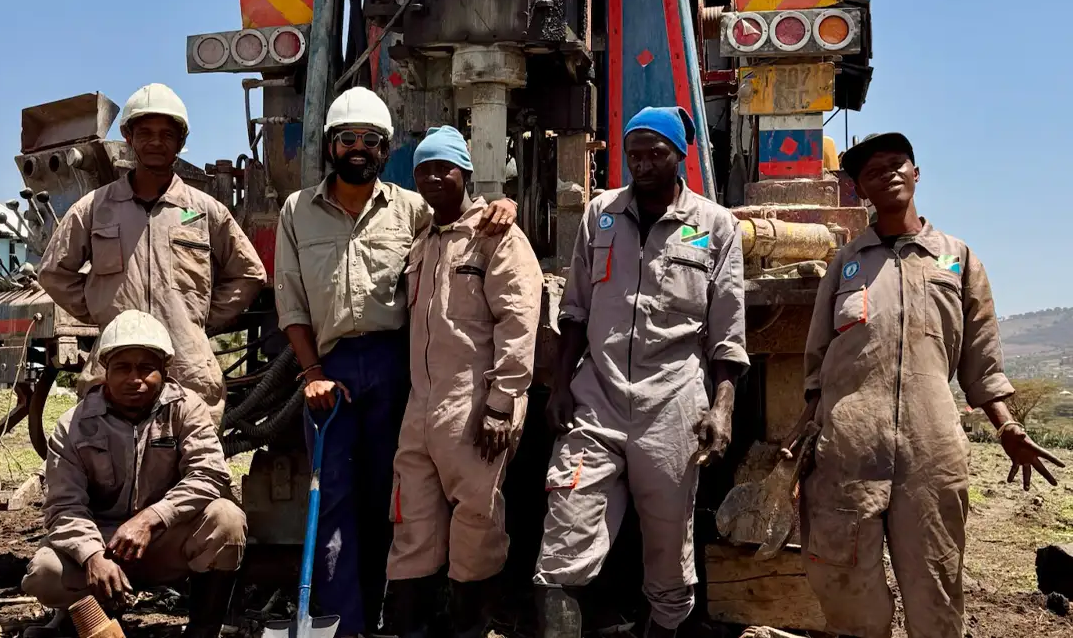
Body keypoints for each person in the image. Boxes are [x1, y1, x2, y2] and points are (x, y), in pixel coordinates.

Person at [779, 132, 1065, 638]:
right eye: (872, 171)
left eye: (897, 164)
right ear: (861, 190)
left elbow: (983, 364)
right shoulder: (845, 266)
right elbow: (817, 366)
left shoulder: (957, 260)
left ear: (916, 173)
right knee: (847, 592)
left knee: (935, 590)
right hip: (849, 453)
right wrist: (807, 434)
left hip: (931, 453)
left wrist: (1007, 429)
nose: (888, 174)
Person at [273, 87, 519, 637]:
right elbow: (289, 301)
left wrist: (502, 203)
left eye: (370, 141)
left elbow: (462, 224)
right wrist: (312, 374)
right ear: (331, 147)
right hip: (330, 370)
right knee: (332, 495)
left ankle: (393, 613)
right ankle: (340, 622)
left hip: (396, 367)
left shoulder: (410, 209)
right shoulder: (297, 212)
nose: (358, 148)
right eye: (348, 139)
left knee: (398, 498)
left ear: (386, 151)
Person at [534, 107, 748, 638]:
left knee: (669, 550)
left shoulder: (716, 226)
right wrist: (562, 386)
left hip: (672, 405)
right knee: (564, 537)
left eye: (658, 154)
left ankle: (665, 626)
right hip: (597, 399)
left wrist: (722, 408)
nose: (645, 164)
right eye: (635, 153)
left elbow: (727, 330)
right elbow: (575, 309)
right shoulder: (600, 215)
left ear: (681, 156)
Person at [384, 126, 544, 638]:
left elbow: (518, 321)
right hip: (422, 406)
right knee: (412, 519)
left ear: (465, 174)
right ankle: (410, 626)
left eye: (443, 168)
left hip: (473, 402)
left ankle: (468, 626)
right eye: (423, 170)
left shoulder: (497, 238)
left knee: (476, 518)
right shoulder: (423, 241)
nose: (432, 178)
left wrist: (502, 403)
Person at [38, 83, 267, 423]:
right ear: (129, 138)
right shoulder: (94, 208)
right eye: (145, 132)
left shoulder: (205, 211)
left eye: (166, 134)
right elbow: (54, 272)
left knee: (192, 466)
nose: (156, 142)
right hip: (115, 369)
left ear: (180, 143)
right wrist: (101, 312)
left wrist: (199, 320)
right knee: (108, 466)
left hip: (187, 369)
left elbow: (250, 274)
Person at [21, 310, 246, 638]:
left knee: (227, 519)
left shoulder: (188, 409)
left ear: (165, 372)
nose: (134, 378)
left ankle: (203, 630)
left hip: (166, 540)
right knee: (46, 572)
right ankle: (87, 624)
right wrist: (92, 556)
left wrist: (152, 518)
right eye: (123, 368)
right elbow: (64, 507)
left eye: (146, 368)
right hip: (103, 543)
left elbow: (209, 474)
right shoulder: (73, 426)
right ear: (105, 371)